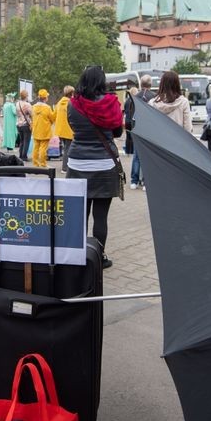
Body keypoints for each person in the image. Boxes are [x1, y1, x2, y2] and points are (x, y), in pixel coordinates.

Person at [67, 65, 123, 270]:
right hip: (103, 164)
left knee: (80, 214)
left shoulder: (72, 105)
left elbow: (73, 128)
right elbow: (117, 132)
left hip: (77, 163)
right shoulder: (111, 104)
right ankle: (99, 256)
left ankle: (78, 253)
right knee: (101, 216)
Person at [130, 75, 156, 189]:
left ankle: (134, 181)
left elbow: (131, 114)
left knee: (136, 156)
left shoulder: (135, 97)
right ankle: (146, 181)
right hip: (150, 130)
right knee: (148, 156)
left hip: (137, 128)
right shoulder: (154, 97)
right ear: (150, 84)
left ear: (141, 84)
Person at [30, 89, 55, 167]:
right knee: (43, 148)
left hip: (36, 130)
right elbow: (52, 118)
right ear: (45, 98)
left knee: (36, 147)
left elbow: (32, 117)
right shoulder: (47, 108)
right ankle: (43, 163)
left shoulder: (33, 107)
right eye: (47, 96)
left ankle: (35, 163)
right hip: (45, 131)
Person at [54, 86, 75, 172]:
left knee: (65, 148)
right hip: (68, 130)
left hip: (60, 130)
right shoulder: (71, 103)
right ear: (71, 94)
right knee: (67, 149)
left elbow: (54, 114)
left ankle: (66, 165)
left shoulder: (59, 103)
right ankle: (65, 168)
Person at [15, 89, 33, 160]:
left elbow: (16, 113)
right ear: (26, 96)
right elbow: (32, 114)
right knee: (27, 141)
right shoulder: (27, 104)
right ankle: (24, 156)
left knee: (22, 141)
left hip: (19, 124)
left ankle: (20, 155)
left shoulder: (17, 103)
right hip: (26, 124)